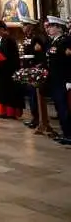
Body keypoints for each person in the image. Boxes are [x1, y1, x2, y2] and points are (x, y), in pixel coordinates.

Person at [45, 16, 71, 145]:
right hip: (55, 79)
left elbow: (68, 62)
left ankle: (68, 134)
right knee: (59, 107)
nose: (49, 28)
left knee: (64, 107)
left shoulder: (65, 41)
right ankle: (64, 132)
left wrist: (69, 80)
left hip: (62, 79)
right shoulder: (54, 41)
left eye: (51, 26)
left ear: (58, 28)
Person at [0, 21, 23, 119]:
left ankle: (11, 112)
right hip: (3, 69)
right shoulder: (1, 39)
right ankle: (4, 111)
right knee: (4, 91)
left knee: (9, 91)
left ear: (2, 29)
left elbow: (6, 55)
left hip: (9, 69)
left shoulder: (8, 39)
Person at [20, 18, 49, 130]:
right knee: (31, 95)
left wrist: (36, 67)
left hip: (34, 69)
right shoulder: (28, 37)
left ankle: (38, 119)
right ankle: (34, 117)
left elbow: (39, 55)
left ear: (30, 26)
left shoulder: (36, 38)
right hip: (28, 68)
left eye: (25, 25)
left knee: (34, 96)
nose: (23, 27)